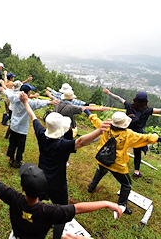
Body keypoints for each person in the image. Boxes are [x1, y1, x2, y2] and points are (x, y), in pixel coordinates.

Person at [20, 92, 113, 238]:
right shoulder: (62, 145)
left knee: (38, 203)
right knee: (61, 212)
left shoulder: (41, 133)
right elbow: (81, 141)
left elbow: (32, 116)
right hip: (58, 184)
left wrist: (25, 102)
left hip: (41, 179)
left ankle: (33, 221)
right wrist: (99, 131)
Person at [0, 161, 122, 239]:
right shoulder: (50, 211)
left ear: (23, 188)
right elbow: (78, 208)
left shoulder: (14, 197)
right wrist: (106, 203)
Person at [87, 111, 161, 214]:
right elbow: (147, 138)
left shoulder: (104, 126)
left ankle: (91, 187)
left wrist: (86, 109)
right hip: (117, 164)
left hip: (102, 157)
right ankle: (121, 206)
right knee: (126, 184)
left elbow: (94, 119)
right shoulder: (128, 134)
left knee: (101, 170)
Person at [103, 89, 161, 177]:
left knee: (119, 146)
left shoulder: (129, 105)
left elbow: (119, 98)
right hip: (139, 133)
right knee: (137, 152)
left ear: (135, 99)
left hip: (126, 130)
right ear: (146, 101)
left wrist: (109, 93)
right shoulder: (147, 110)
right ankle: (136, 171)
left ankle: (110, 159)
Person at [0, 81, 58, 168]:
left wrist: (2, 89)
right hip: (22, 129)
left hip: (14, 125)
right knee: (20, 146)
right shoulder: (29, 103)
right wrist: (49, 102)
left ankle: (11, 158)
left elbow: (8, 93)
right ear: (28, 92)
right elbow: (38, 103)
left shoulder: (15, 98)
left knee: (12, 143)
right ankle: (18, 161)